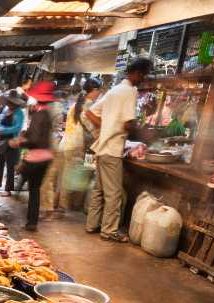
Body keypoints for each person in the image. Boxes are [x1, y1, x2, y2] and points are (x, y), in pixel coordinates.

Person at [85, 58, 151, 242]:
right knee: (114, 194)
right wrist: (143, 136)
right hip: (112, 149)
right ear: (137, 73)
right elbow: (129, 122)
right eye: (143, 75)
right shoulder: (130, 91)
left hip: (101, 148)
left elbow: (89, 112)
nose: (143, 79)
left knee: (99, 190)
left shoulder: (114, 90)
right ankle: (109, 231)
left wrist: (106, 127)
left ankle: (92, 225)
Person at [11, 81, 57, 231]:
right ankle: (32, 222)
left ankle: (31, 221)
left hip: (36, 158)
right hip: (46, 157)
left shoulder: (39, 114)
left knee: (31, 185)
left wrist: (20, 142)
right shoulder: (47, 113)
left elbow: (34, 140)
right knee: (35, 190)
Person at [58, 78, 102, 209]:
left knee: (66, 176)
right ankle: (72, 205)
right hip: (78, 147)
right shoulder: (90, 107)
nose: (99, 93)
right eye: (99, 90)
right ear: (94, 91)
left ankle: (63, 205)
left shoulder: (75, 105)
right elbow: (93, 130)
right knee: (85, 173)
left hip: (66, 144)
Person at [0, 90, 27, 196]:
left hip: (12, 142)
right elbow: (0, 122)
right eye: (9, 102)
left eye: (12, 102)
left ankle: (8, 189)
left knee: (10, 166)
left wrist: (4, 130)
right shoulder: (6, 109)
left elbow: (17, 128)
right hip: (1, 141)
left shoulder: (19, 113)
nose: (10, 104)